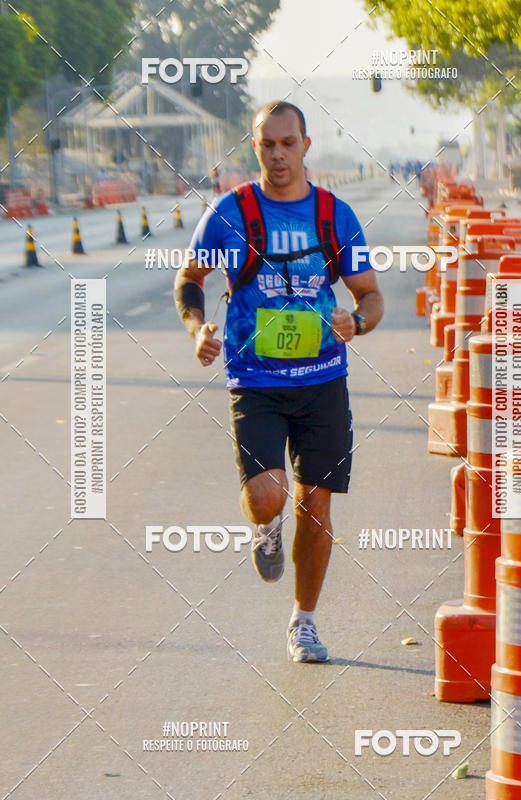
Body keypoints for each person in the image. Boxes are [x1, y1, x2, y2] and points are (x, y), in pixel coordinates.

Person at [174, 100, 383, 663]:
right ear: (255, 147)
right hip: (256, 380)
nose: (278, 154)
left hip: (323, 380)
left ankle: (304, 622)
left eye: (288, 143)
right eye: (267, 144)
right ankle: (266, 526)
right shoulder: (230, 213)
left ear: (305, 146)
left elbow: (370, 294)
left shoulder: (334, 216)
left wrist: (357, 322)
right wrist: (198, 330)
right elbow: (190, 279)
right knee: (268, 498)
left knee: (317, 509)